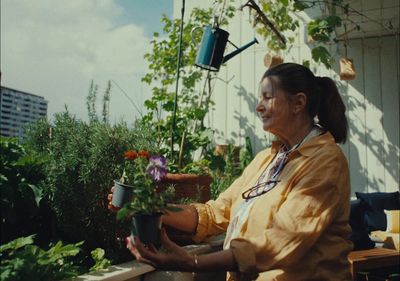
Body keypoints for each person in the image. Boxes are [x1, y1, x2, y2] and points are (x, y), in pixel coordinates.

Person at [108, 62, 353, 280]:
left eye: (268, 97)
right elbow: (216, 213)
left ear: (298, 103)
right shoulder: (266, 160)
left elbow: (281, 240)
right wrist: (148, 207)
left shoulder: (325, 161)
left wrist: (192, 262)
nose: (258, 107)